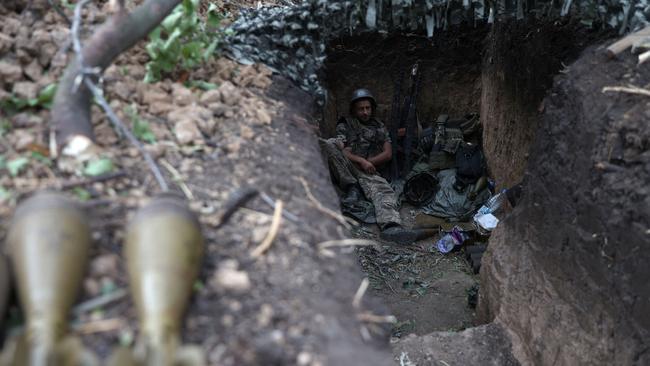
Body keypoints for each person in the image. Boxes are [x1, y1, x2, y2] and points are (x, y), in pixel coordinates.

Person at [322, 88, 417, 244]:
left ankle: (391, 227)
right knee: (328, 143)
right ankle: (351, 186)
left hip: (368, 171)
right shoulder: (346, 125)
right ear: (354, 110)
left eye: (368, 108)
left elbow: (388, 153)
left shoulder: (379, 127)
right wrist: (361, 161)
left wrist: (369, 163)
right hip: (347, 166)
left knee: (385, 191)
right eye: (361, 109)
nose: (365, 112)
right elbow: (341, 149)